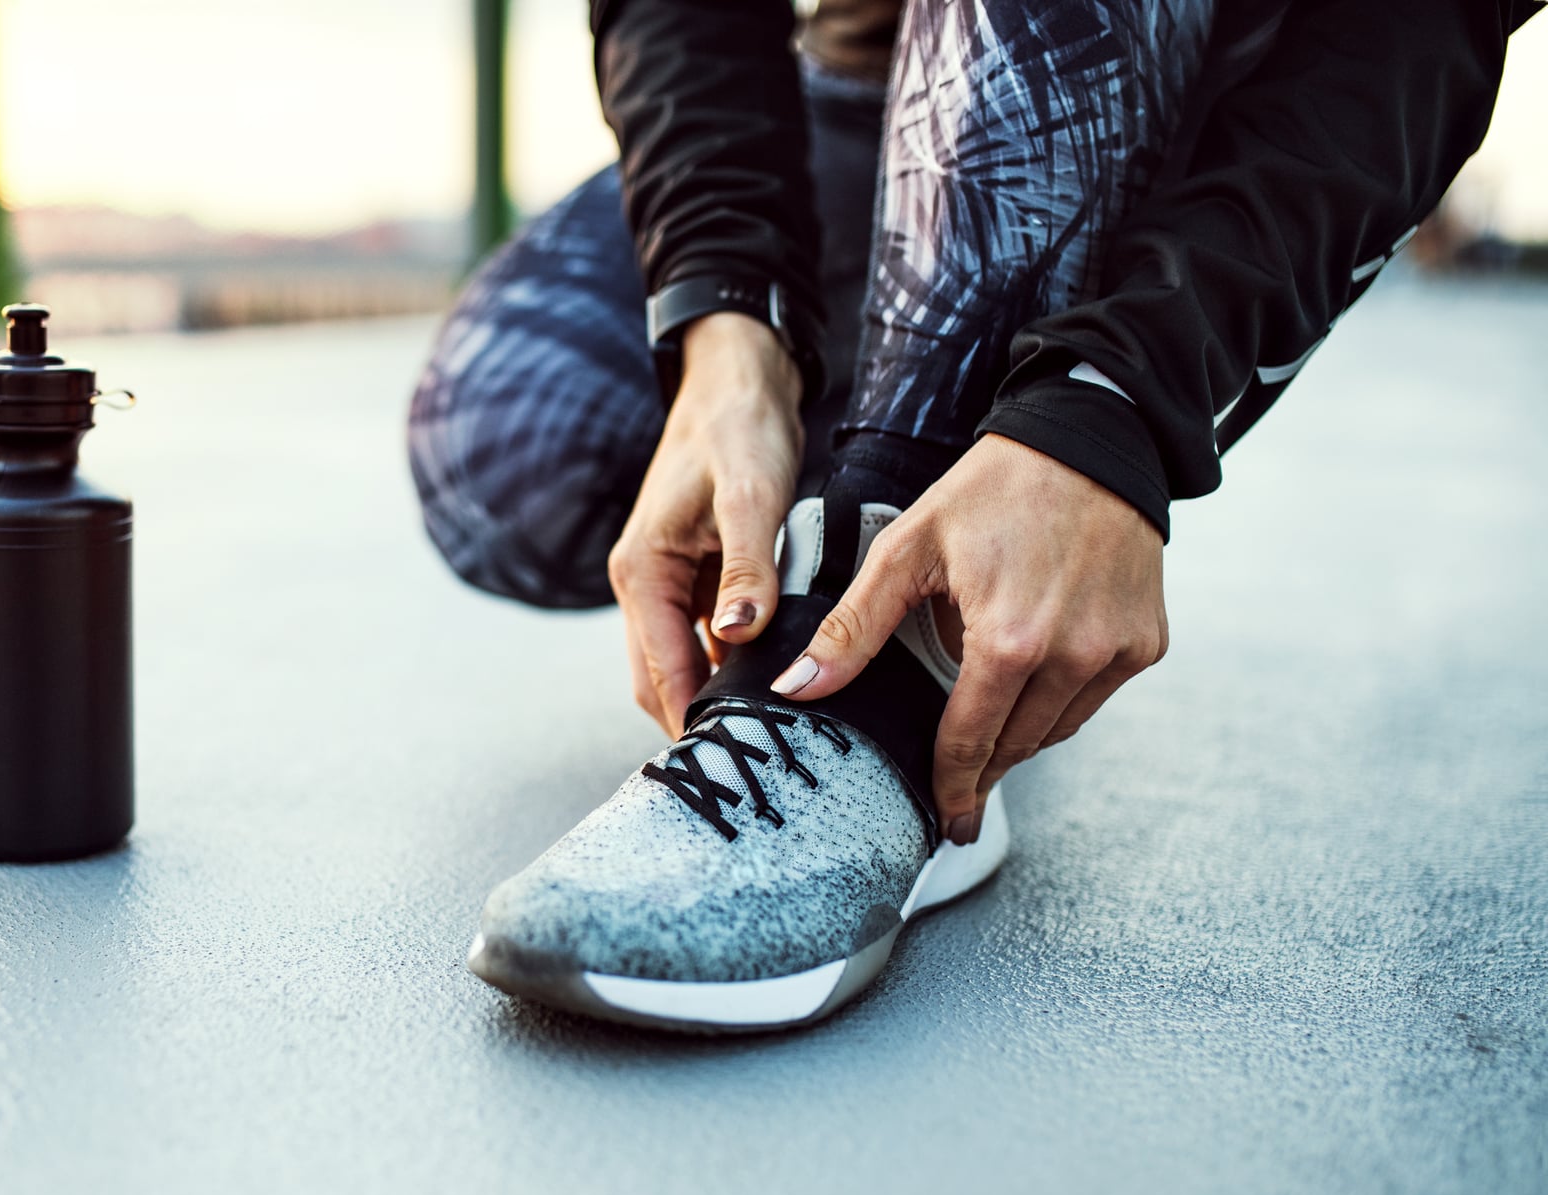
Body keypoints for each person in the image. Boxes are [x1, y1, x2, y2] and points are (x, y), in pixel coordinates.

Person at [410, 0, 1537, 1031]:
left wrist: (1115, 407)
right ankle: (904, 539)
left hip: (1173, 75)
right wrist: (725, 321)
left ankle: (880, 683)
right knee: (508, 444)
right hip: (863, 86)